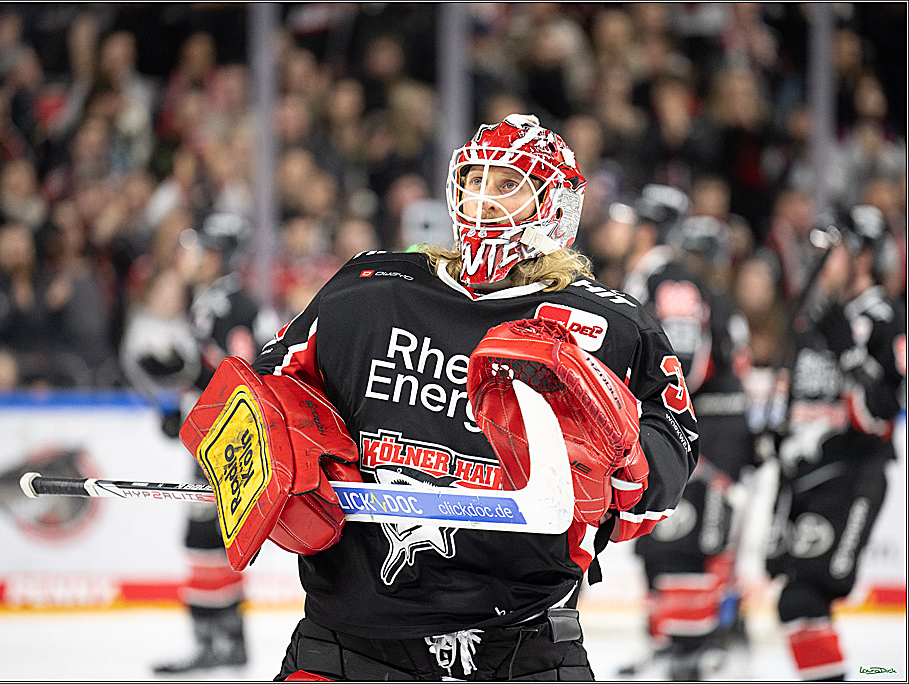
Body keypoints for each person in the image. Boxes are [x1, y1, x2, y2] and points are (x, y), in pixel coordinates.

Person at [223, 114, 697, 681]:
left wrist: (625, 469)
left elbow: (673, 446)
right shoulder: (369, 290)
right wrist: (284, 446)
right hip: (352, 640)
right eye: (475, 180)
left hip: (521, 645)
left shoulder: (608, 327)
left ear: (556, 205)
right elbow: (266, 387)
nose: (483, 200)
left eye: (508, 184)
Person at [616, 185, 758, 680]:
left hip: (701, 432)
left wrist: (643, 409)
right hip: (685, 426)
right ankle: (673, 639)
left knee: (683, 537)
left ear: (648, 229)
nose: (620, 230)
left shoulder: (671, 279)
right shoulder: (655, 275)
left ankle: (692, 647)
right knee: (659, 538)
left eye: (630, 221)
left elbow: (682, 367)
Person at [120, 212, 265, 674]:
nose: (193, 255)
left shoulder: (222, 304)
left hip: (225, 436)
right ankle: (229, 639)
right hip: (229, 433)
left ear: (221, 254)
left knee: (205, 536)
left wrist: (185, 382)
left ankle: (214, 640)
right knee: (219, 536)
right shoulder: (227, 300)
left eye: (203, 248)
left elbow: (236, 373)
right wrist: (181, 398)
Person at [766, 204, 905, 681]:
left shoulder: (886, 319)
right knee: (794, 602)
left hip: (852, 476)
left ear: (863, 256)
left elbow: (880, 414)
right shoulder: (822, 314)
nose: (822, 259)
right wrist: (778, 432)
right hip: (806, 477)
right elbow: (804, 392)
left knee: (803, 598)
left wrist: (849, 352)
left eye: (836, 249)